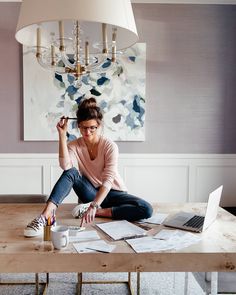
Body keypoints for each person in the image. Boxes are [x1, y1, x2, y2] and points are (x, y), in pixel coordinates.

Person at [24, 97, 153, 237]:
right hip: (90, 192)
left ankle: (99, 212)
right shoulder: (74, 146)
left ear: (99, 126)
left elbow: (108, 181)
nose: (88, 132)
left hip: (113, 193)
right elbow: (65, 166)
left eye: (92, 128)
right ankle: (46, 216)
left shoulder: (110, 146)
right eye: (84, 127)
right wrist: (62, 136)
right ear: (78, 126)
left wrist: (94, 207)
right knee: (72, 172)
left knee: (146, 209)